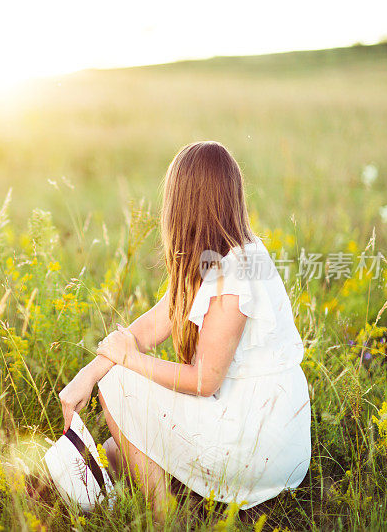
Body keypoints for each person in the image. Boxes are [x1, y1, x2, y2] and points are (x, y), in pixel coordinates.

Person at [58, 140, 311, 519]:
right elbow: (151, 326)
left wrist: (124, 363)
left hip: (260, 444)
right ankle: (165, 495)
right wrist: (90, 371)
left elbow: (204, 381)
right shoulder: (223, 254)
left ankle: (165, 521)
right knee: (116, 448)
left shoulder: (233, 273)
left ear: (183, 204)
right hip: (264, 428)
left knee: (120, 386)